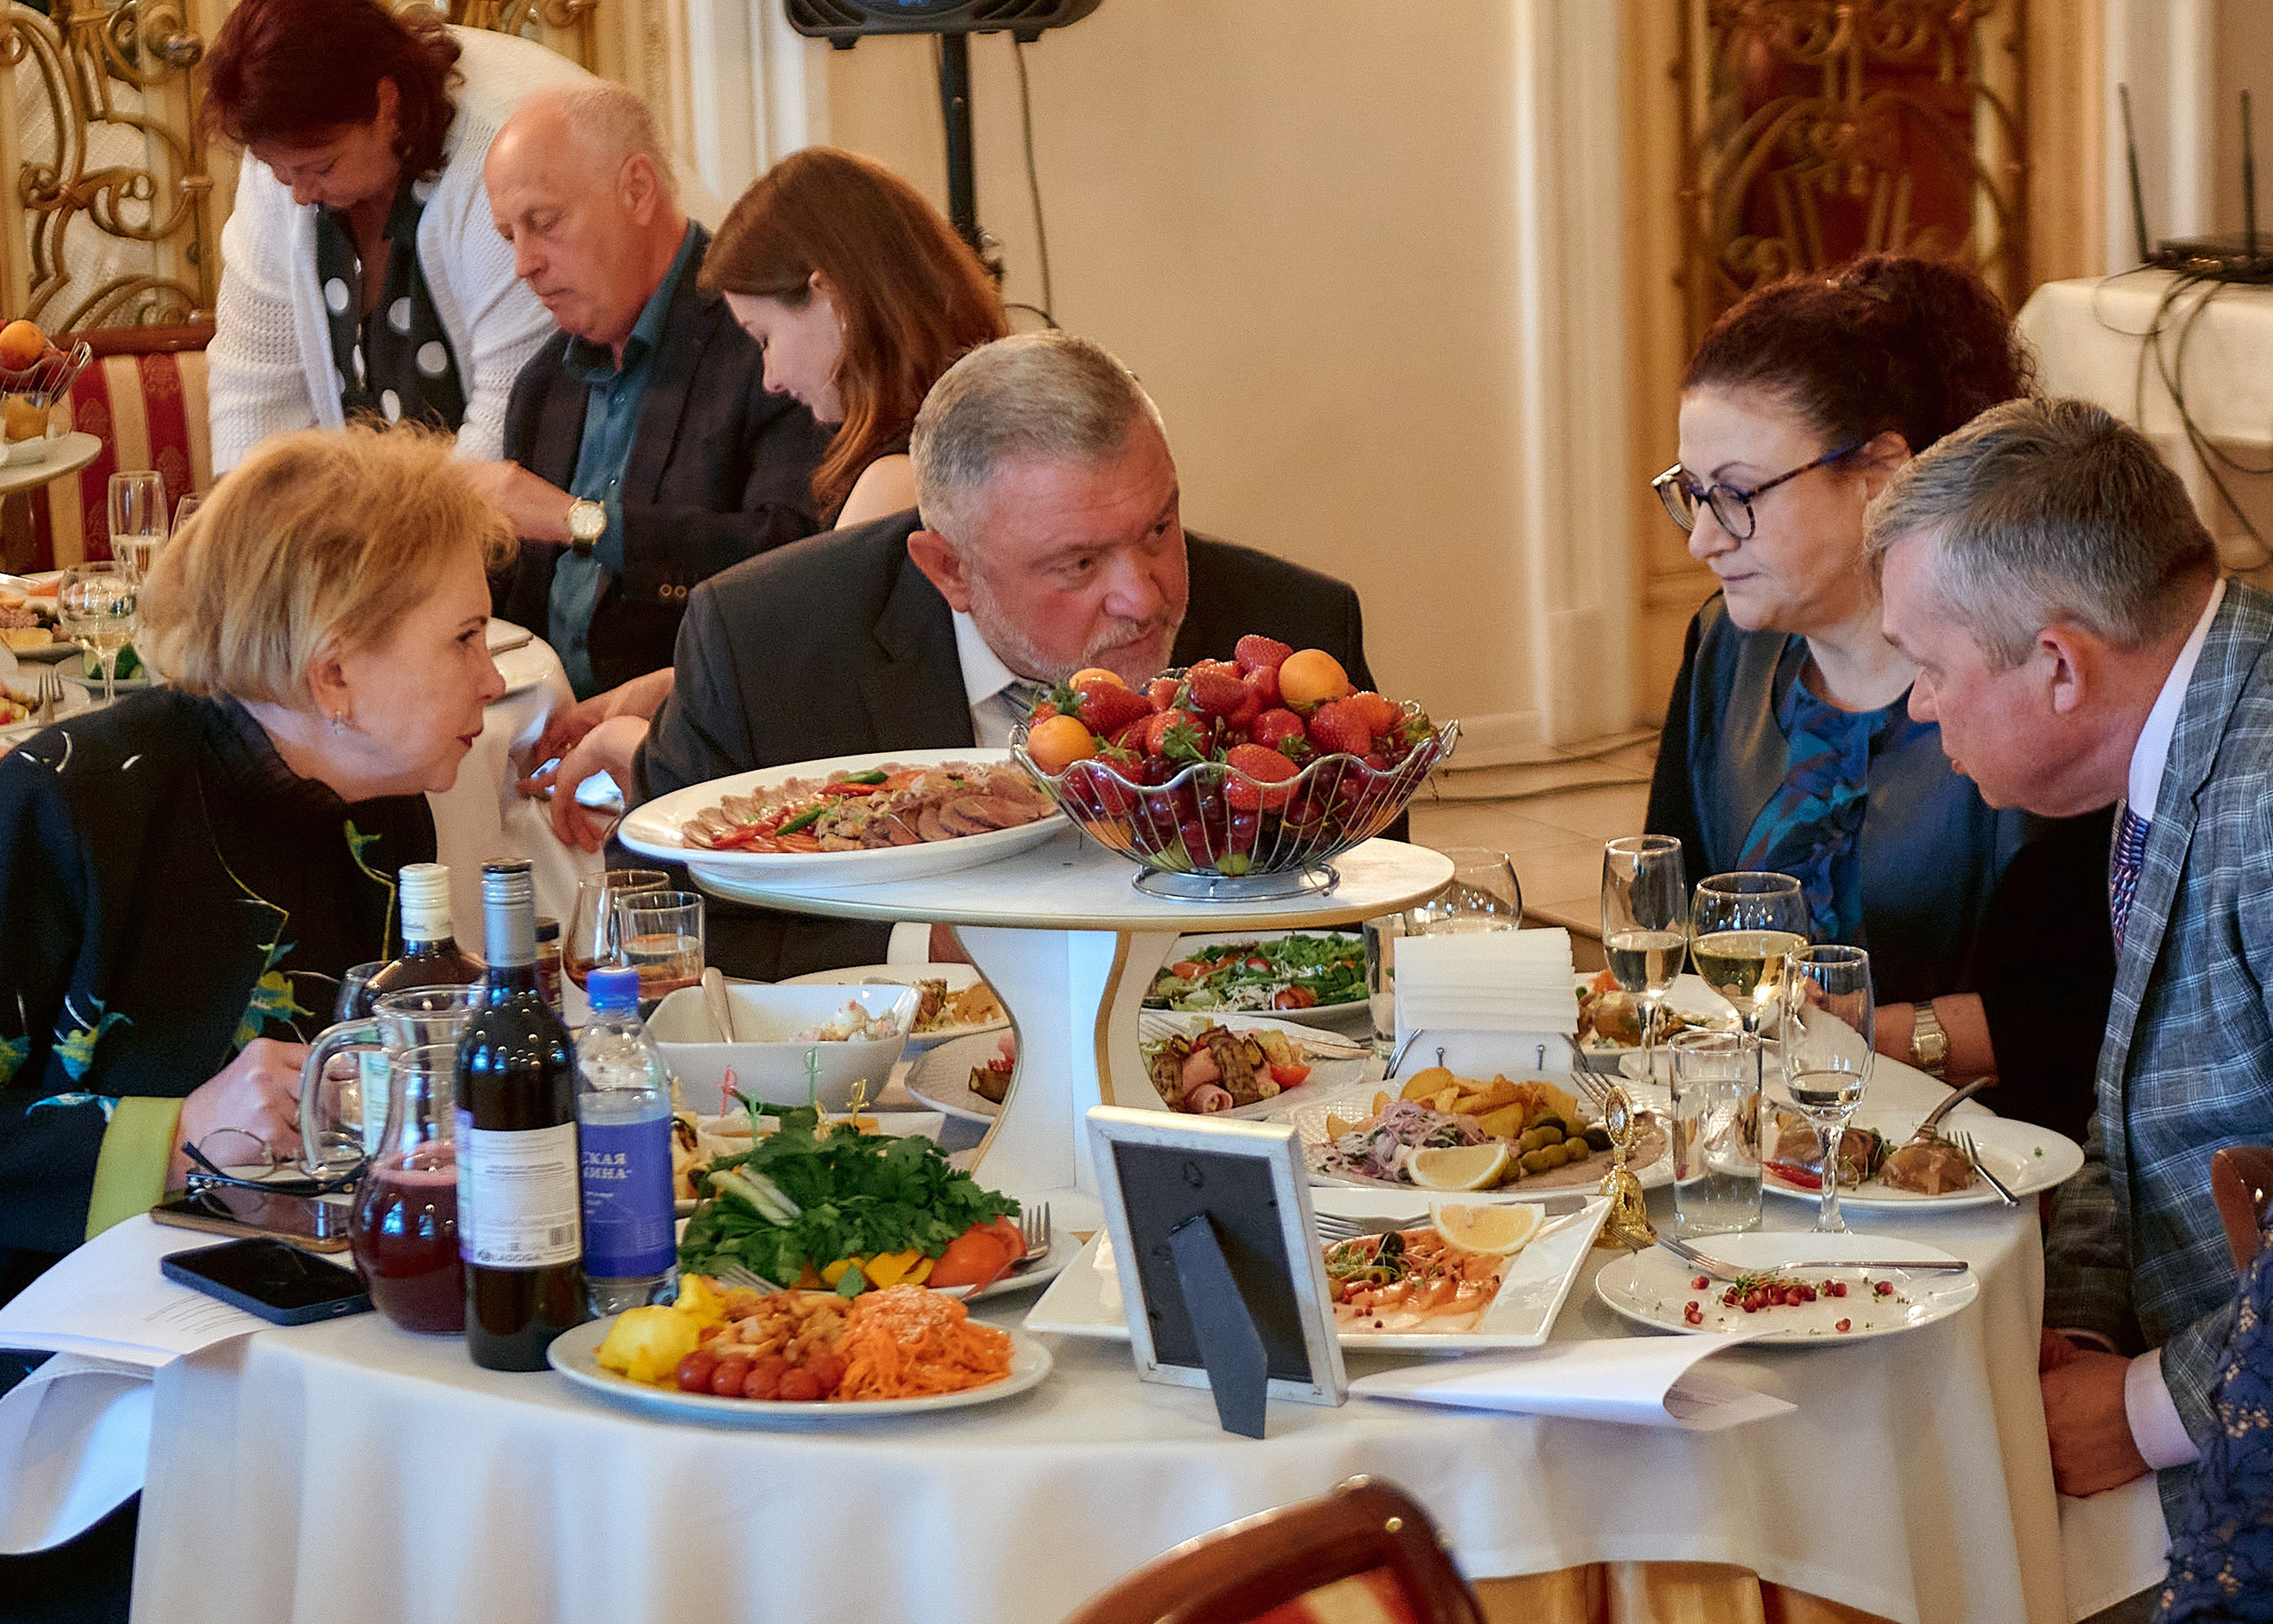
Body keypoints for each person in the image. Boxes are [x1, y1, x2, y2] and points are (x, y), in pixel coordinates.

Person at [599, 330, 1383, 980]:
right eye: (1078, 564)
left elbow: (1363, 918)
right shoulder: (765, 644)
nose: (1142, 597)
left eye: (1158, 528)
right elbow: (651, 915)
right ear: (950, 570)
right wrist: (928, 946)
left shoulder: (1290, 636)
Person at [1868, 396, 2273, 1533]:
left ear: (2057, 662)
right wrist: (2087, 1327)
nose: (1919, 702)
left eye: (1930, 664)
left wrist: (2143, 1408)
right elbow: (2128, 1110)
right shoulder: (2176, 734)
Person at [0, 424, 510, 1284]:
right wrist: (172, 1138)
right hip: (72, 1338)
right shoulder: (66, 803)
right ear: (332, 674)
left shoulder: (384, 812)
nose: (493, 679)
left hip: (291, 1294)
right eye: (465, 637)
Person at [1645, 254, 2113, 1141]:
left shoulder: (2020, 671)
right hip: (1759, 1132)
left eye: (1738, 494)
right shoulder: (1724, 649)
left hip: (1975, 1158)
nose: (1704, 538)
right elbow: (1672, 924)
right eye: (1692, 495)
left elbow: (2077, 1010)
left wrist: (1858, 1034)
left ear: (1879, 472)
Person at [521, 144, 1006, 807]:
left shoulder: (897, 483)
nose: (771, 377)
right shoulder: (965, 432)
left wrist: (625, 745)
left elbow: (810, 768)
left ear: (828, 295)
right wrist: (672, 684)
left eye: (764, 336)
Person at [468, 83, 830, 701]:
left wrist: (577, 521)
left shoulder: (770, 346)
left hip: (707, 727)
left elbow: (791, 563)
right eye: (509, 236)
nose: (524, 264)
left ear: (637, 190)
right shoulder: (541, 384)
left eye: (544, 223)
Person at [202, 0, 588, 471]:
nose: (299, 195)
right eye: (280, 172)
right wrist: (246, 533)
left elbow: (515, 413)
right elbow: (254, 387)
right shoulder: (288, 162)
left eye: (322, 168)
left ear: (387, 104)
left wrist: (396, 543)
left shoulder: (502, 154)